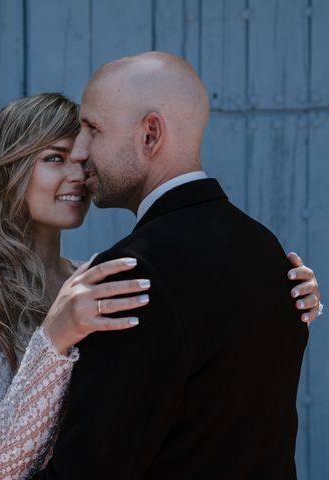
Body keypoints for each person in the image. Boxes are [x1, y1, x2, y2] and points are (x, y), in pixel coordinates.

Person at [0, 93, 321, 480]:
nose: (79, 174)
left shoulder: (94, 278)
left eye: (82, 158)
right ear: (7, 171)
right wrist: (53, 339)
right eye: (55, 158)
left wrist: (278, 293)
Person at [40, 52, 318, 479]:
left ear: (150, 134)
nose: (79, 151)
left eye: (92, 129)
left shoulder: (131, 273)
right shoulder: (268, 250)